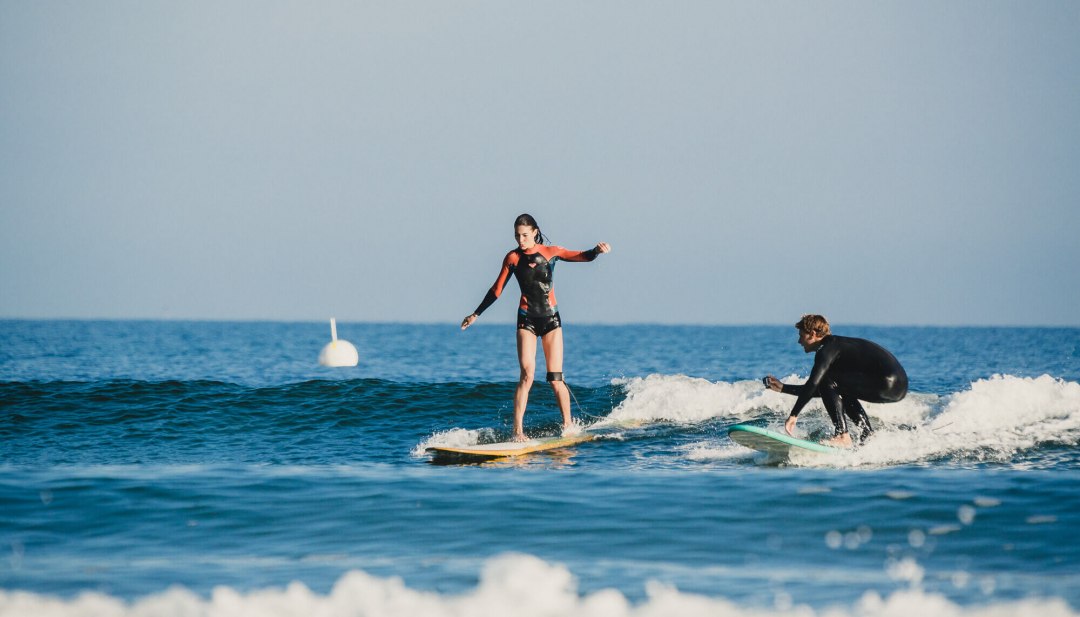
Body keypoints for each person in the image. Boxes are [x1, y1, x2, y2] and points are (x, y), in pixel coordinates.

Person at [461, 213, 610, 441]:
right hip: (527, 319)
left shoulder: (551, 252)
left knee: (555, 378)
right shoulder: (512, 258)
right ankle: (517, 431)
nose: (520, 240)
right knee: (527, 375)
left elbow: (582, 256)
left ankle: (568, 426)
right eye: (517, 236)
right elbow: (496, 290)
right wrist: (475, 314)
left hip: (551, 320)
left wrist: (596, 251)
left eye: (524, 235)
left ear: (535, 232)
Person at [763, 314, 908, 448]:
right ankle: (867, 434)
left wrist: (794, 415)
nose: (799, 341)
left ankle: (841, 435)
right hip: (899, 386)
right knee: (840, 387)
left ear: (813, 334)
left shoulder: (826, 349)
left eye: (801, 335)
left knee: (828, 380)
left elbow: (815, 384)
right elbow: (825, 391)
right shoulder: (836, 347)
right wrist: (783, 388)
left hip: (885, 382)